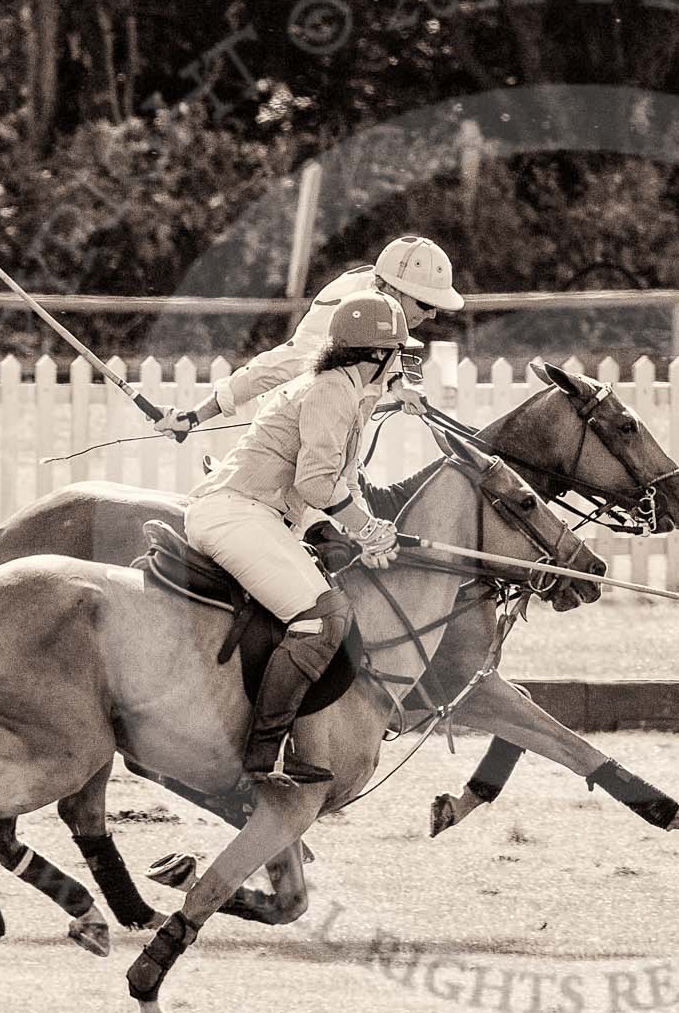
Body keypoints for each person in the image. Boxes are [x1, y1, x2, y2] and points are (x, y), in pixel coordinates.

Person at [180, 290, 424, 785]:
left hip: (260, 517)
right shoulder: (333, 389)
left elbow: (344, 480)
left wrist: (368, 536)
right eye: (397, 351)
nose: (401, 361)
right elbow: (314, 483)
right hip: (237, 512)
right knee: (322, 617)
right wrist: (365, 527)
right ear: (376, 355)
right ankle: (262, 756)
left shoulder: (353, 393)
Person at [153, 235, 465, 436]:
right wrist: (195, 416)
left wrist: (402, 386)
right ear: (389, 288)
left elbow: (393, 359)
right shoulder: (346, 311)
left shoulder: (386, 310)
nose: (433, 314)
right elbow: (282, 363)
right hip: (292, 439)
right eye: (425, 303)